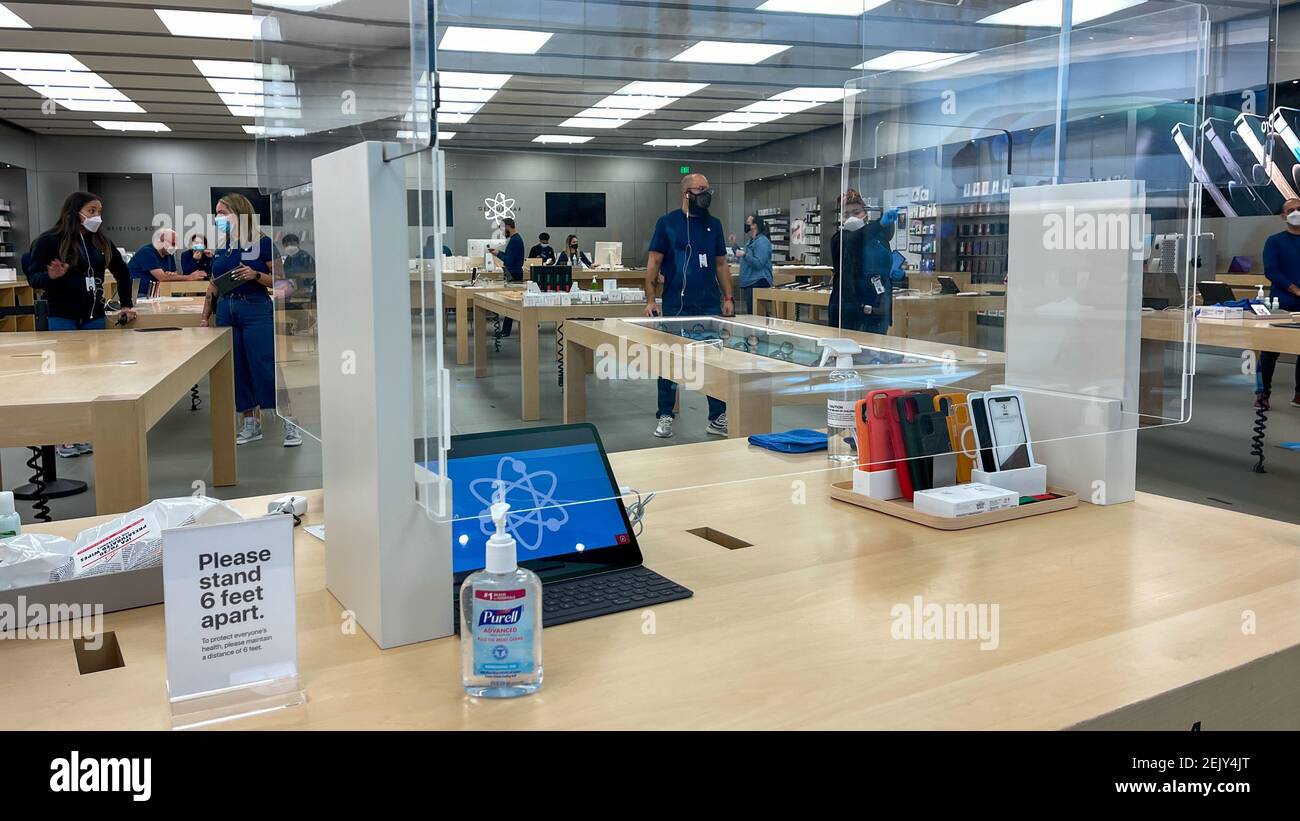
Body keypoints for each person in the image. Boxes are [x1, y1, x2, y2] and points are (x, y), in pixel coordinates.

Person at [27, 191, 136, 457]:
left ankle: (85, 432)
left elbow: (122, 271)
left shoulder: (100, 241)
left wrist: (126, 304)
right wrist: (51, 276)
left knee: (92, 377)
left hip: (94, 317)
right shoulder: (49, 241)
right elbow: (34, 277)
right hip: (62, 317)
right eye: (91, 210)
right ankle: (63, 438)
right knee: (65, 378)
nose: (96, 216)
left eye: (99, 211)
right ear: (74, 211)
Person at [199, 193, 301, 447]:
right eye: (217, 213)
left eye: (222, 212)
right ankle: (250, 423)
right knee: (238, 369)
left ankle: (289, 422)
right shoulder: (223, 247)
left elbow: (281, 281)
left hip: (255, 309)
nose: (218, 218)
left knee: (264, 366)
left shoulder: (263, 243)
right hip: (226, 310)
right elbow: (213, 284)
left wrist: (255, 275)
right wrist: (205, 314)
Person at [645, 173, 735, 439]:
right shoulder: (668, 223)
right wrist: (651, 300)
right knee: (669, 362)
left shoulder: (714, 225)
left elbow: (721, 264)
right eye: (699, 189)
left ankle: (717, 417)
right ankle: (665, 415)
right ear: (686, 193)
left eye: (708, 189)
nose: (705, 194)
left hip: (708, 305)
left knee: (712, 362)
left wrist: (728, 297)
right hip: (675, 305)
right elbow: (654, 262)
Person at [828, 190, 896, 334]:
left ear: (865, 213)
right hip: (850, 310)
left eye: (856, 212)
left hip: (877, 309)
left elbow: (885, 253)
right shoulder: (840, 239)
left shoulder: (877, 238)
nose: (852, 218)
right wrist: (880, 224)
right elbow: (855, 240)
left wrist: (895, 274)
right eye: (846, 215)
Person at [1256, 198, 1300, 409]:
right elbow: (1271, 271)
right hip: (1280, 305)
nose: (1296, 212)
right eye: (1291, 210)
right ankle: (1262, 393)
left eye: (1299, 209)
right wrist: (1295, 289)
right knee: (1269, 350)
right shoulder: (1274, 241)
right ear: (1283, 217)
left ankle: (1299, 394)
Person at [128, 228, 197, 298]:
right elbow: (162, 277)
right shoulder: (147, 252)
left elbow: (174, 274)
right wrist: (189, 277)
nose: (175, 247)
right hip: (140, 295)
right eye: (172, 243)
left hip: (159, 293)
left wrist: (171, 275)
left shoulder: (169, 254)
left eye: (176, 244)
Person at [488, 217, 525, 338]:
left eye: (503, 229)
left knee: (511, 302)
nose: (502, 232)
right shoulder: (515, 239)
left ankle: (505, 331)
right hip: (513, 272)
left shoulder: (515, 241)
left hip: (513, 273)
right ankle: (505, 330)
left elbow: (509, 260)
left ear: (508, 227)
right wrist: (498, 253)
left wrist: (498, 254)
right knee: (510, 303)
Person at [730, 215, 773, 314]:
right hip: (750, 281)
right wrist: (734, 245)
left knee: (756, 314)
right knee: (751, 312)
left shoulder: (762, 242)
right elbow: (743, 256)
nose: (746, 225)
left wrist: (745, 255)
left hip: (757, 281)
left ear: (754, 225)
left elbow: (759, 263)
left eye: (748, 223)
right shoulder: (750, 241)